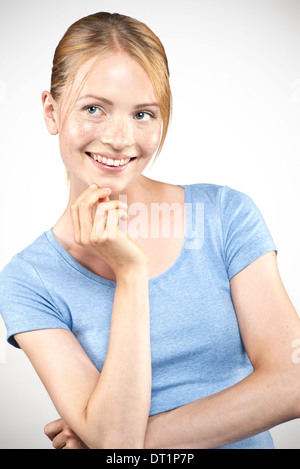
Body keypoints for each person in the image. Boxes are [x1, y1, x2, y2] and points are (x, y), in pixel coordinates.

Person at [0, 11, 299, 450]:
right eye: (93, 109)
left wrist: (116, 443)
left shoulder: (224, 214)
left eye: (142, 114)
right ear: (52, 111)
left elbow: (292, 383)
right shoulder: (29, 280)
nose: (120, 138)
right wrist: (131, 272)